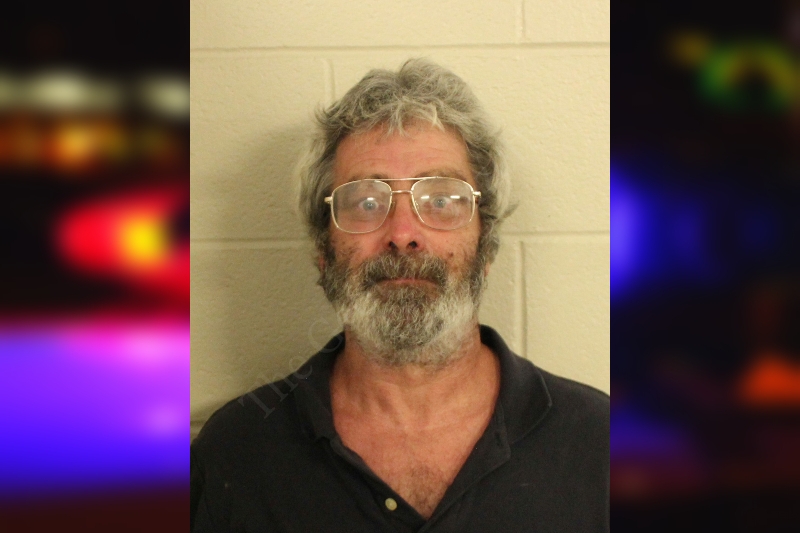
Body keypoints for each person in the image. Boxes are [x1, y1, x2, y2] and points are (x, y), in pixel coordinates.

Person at [190, 58, 609, 532]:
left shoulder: (602, 447)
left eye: (441, 200)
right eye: (366, 202)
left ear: (486, 243)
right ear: (322, 250)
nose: (403, 234)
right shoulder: (235, 456)